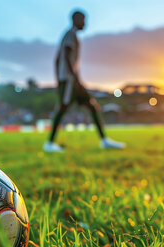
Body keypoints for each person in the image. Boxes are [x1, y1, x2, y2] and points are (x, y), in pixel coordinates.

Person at [44, 10, 125, 152]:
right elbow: (67, 58)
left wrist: (67, 79)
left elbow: (58, 60)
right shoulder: (70, 35)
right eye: (83, 19)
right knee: (63, 107)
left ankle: (104, 140)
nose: (85, 23)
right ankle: (49, 144)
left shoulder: (69, 36)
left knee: (92, 106)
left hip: (70, 80)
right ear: (76, 19)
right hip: (69, 81)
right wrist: (73, 80)